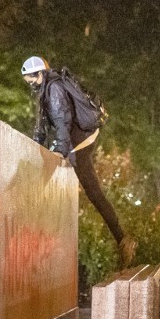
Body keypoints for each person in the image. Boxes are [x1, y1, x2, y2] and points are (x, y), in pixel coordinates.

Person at [21, 56, 136, 267]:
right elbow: (41, 128)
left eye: (32, 80)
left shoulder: (53, 89)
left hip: (79, 141)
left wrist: (60, 150)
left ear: (40, 74)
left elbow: (63, 121)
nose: (31, 85)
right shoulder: (46, 90)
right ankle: (122, 239)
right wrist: (33, 146)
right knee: (90, 192)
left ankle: (122, 239)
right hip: (78, 140)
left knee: (92, 192)